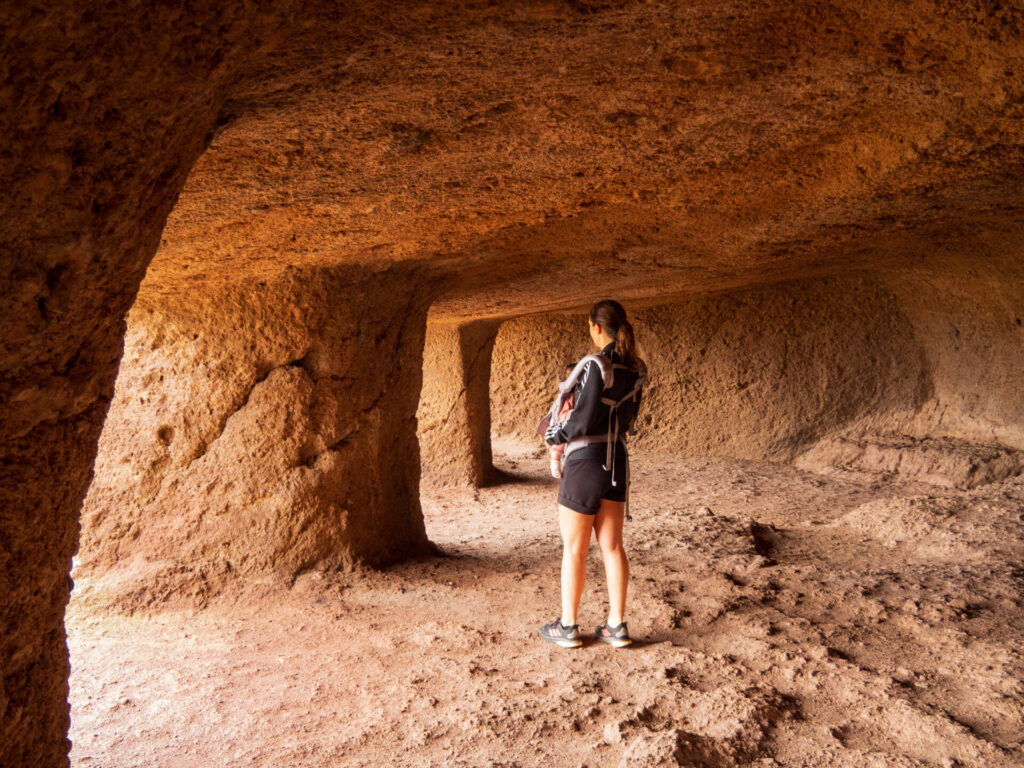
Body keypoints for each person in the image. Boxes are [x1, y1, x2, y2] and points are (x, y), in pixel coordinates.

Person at [539, 300, 646, 648]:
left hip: (585, 462)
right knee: (613, 546)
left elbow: (581, 420)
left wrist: (553, 436)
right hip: (616, 461)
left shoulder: (594, 367)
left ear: (597, 328)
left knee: (574, 549)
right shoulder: (635, 370)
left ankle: (568, 627)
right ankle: (616, 625)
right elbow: (628, 420)